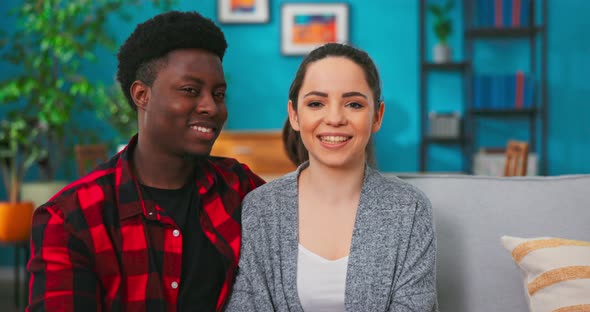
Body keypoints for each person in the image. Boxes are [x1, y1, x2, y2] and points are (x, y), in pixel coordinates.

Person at [27, 11, 264, 312]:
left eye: (218, 94)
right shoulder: (71, 219)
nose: (211, 107)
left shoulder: (241, 189)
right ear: (142, 95)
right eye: (190, 91)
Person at [226, 43, 438, 311]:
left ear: (377, 116)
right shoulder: (260, 208)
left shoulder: (410, 209)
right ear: (294, 114)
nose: (335, 118)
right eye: (316, 103)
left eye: (353, 104)